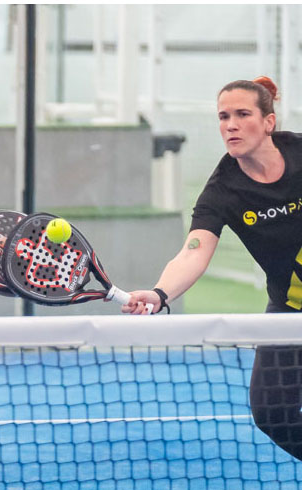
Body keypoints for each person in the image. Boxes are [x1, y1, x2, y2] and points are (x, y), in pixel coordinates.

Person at [122, 76, 302, 461]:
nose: (231, 125)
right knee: (273, 413)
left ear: (268, 122)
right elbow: (193, 252)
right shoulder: (222, 191)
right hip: (291, 310)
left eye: (242, 114)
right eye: (223, 117)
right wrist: (159, 293)